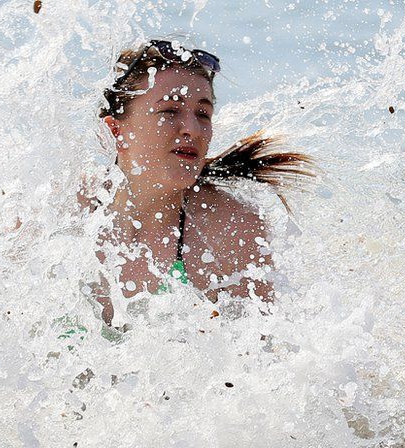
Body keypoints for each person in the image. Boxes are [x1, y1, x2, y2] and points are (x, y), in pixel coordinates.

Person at [89, 39, 315, 325]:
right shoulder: (61, 215)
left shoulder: (230, 229)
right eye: (170, 111)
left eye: (202, 113)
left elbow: (265, 357)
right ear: (115, 132)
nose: (193, 130)